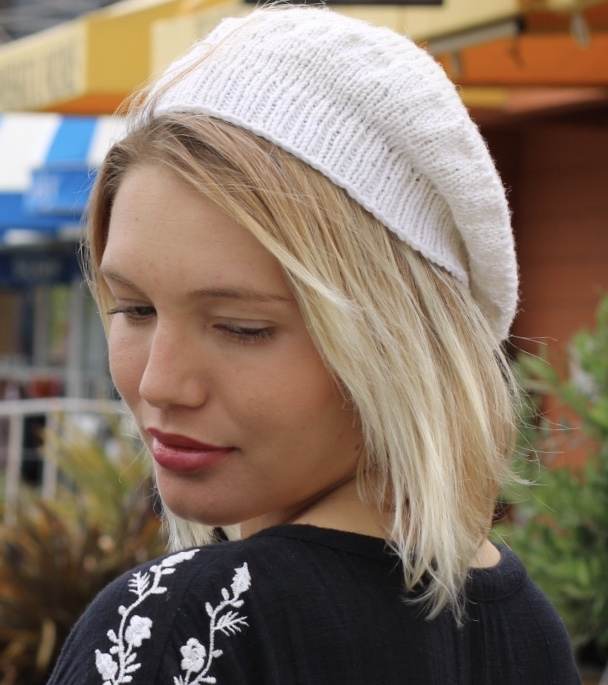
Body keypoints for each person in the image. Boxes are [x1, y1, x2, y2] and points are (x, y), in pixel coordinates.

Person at [47, 3, 581, 684]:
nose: (160, 382)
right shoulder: (531, 633)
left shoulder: (181, 627)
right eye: (134, 309)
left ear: (399, 341)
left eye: (241, 327)